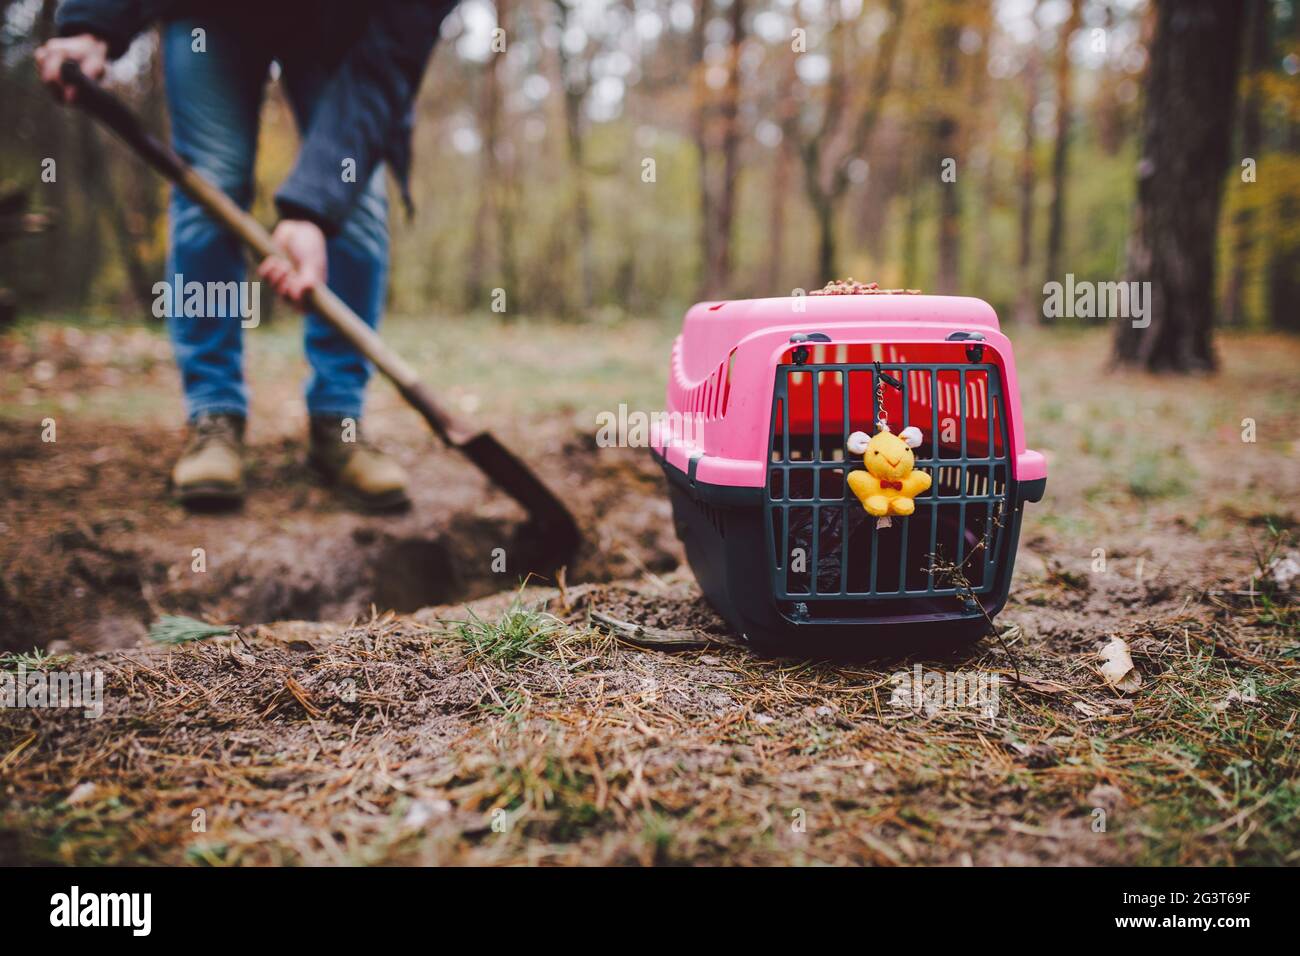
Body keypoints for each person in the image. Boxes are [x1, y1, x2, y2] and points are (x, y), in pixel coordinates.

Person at [35, 0, 456, 511]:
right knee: (209, 186)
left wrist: (314, 211)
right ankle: (214, 414)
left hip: (346, 27)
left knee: (356, 201)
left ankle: (338, 419)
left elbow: (389, 58)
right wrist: (93, 24)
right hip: (210, 13)